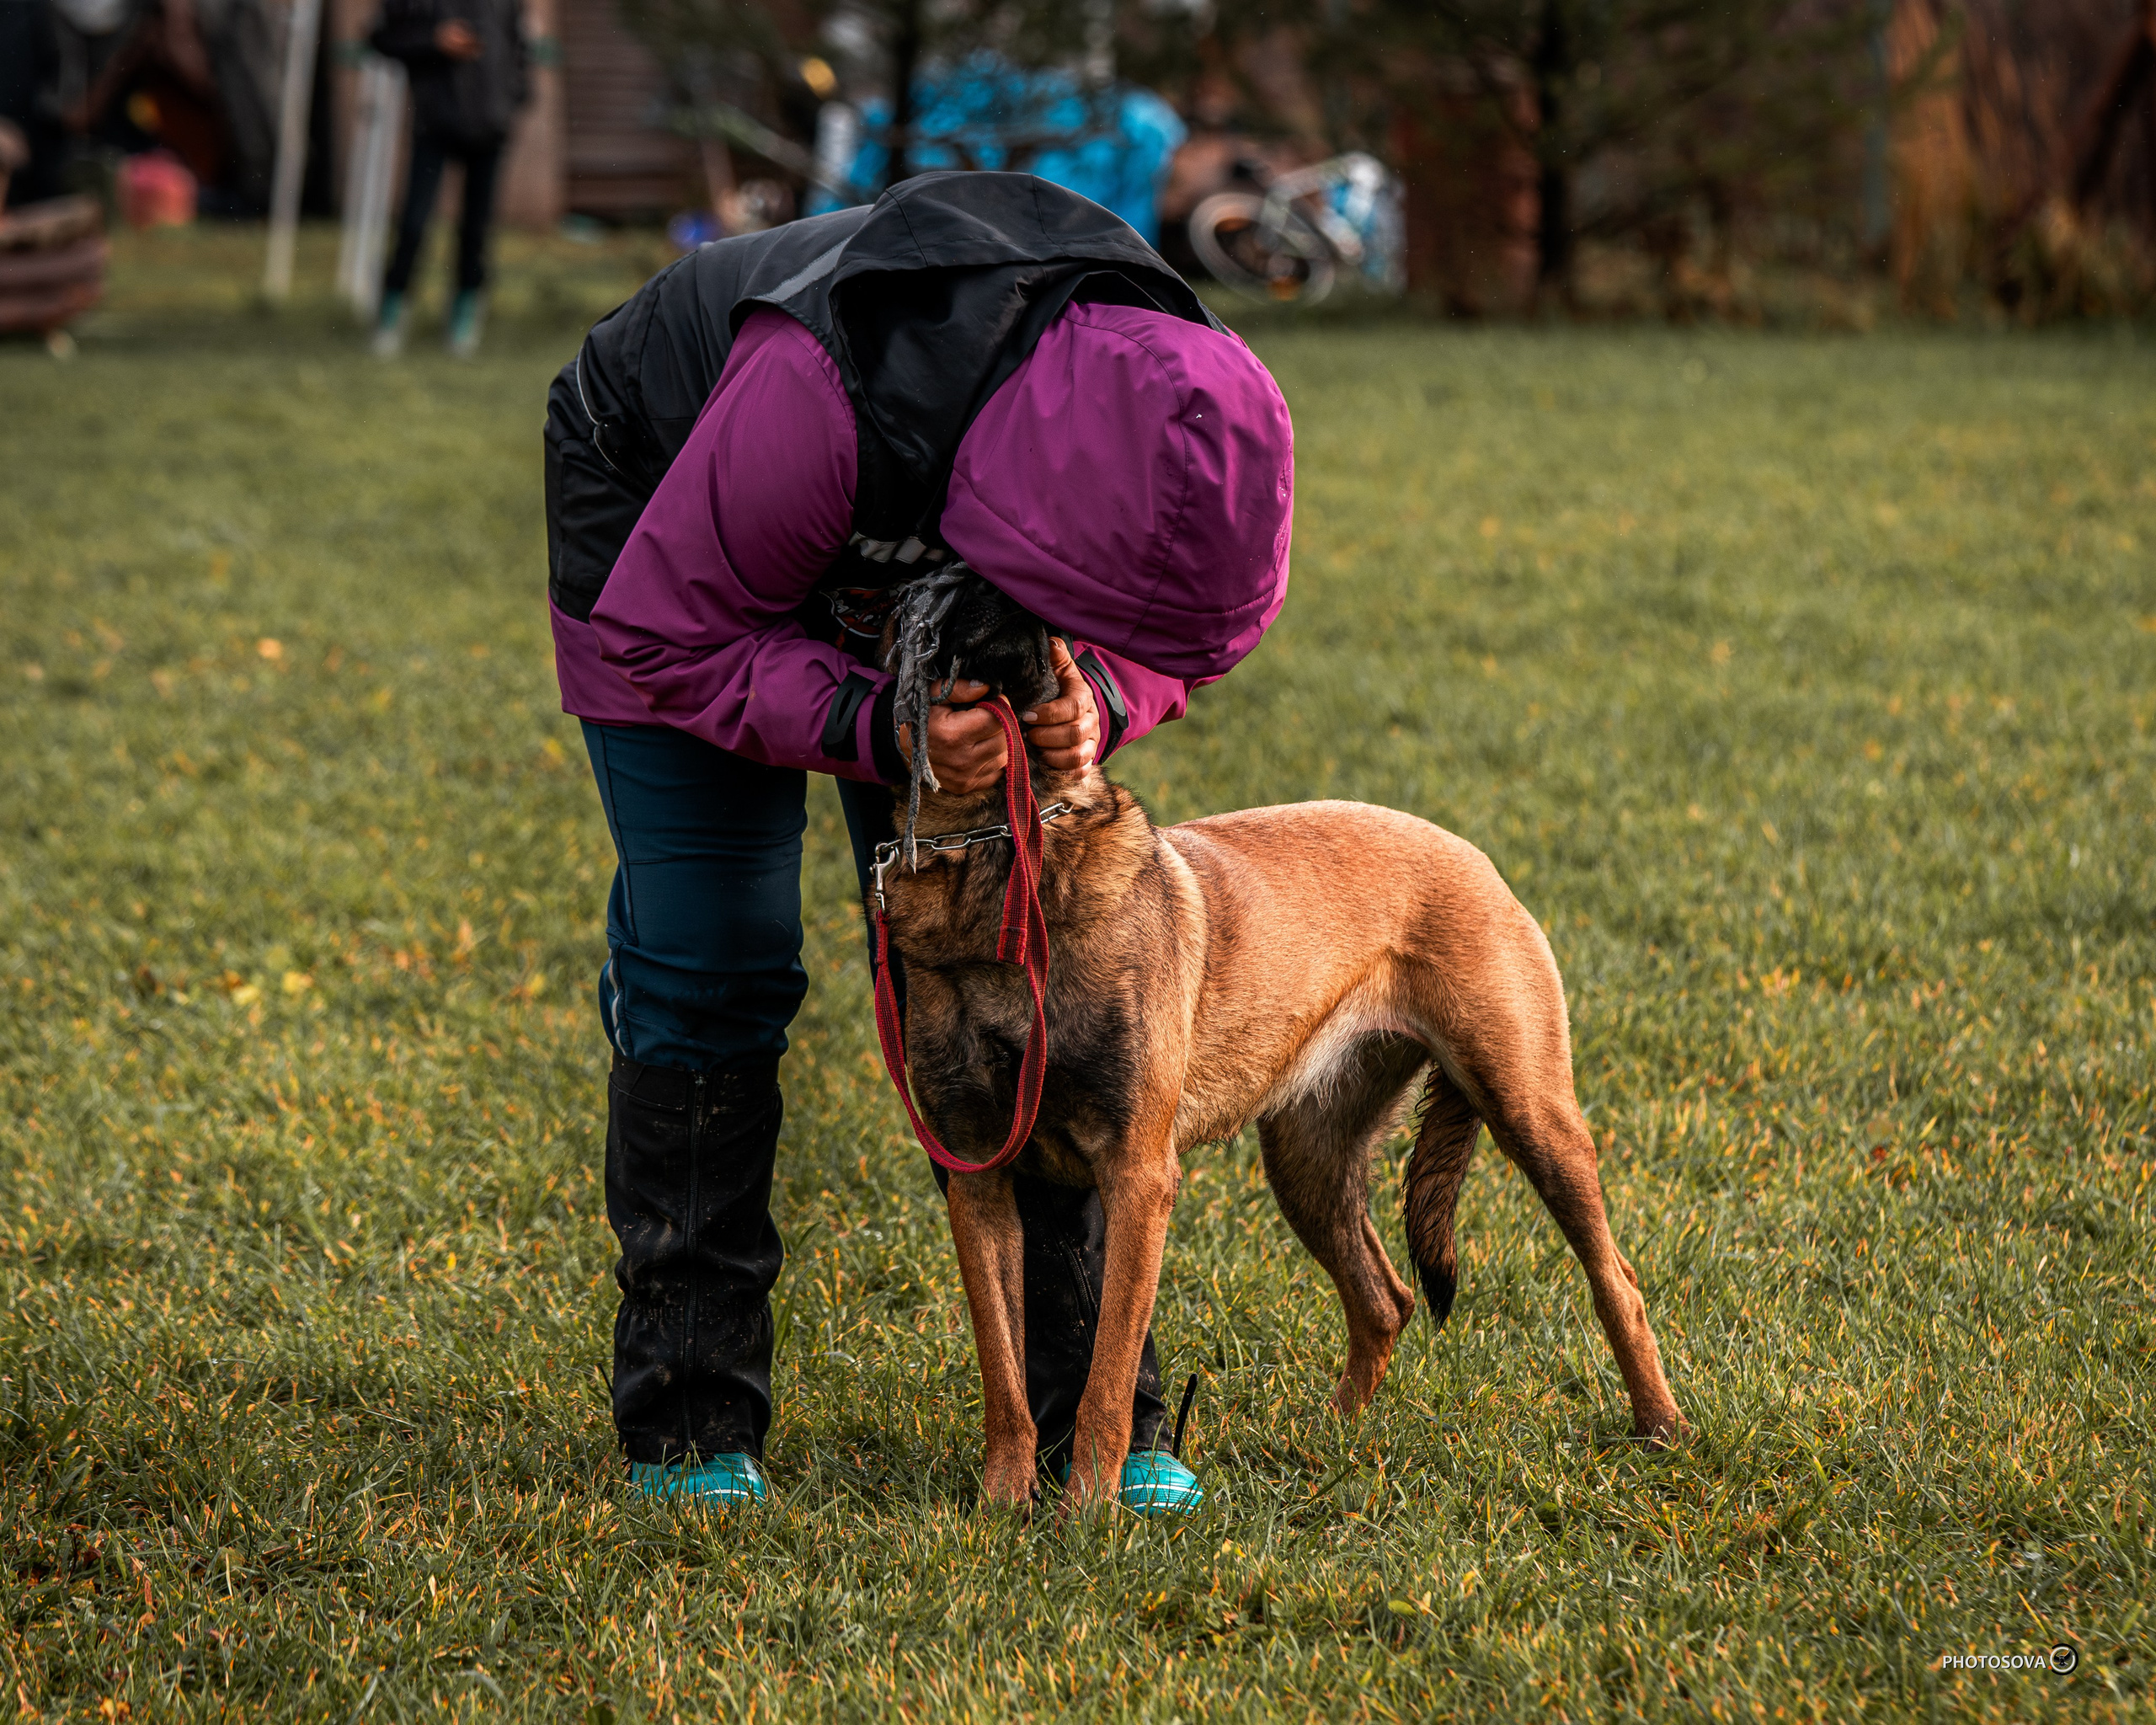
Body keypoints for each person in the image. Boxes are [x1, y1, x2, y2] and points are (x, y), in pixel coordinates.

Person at [544, 171, 1294, 1514]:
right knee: (715, 953)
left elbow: (1169, 634)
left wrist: (1102, 696)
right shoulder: (818, 397)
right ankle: (691, 1417)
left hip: (921, 517)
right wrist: (881, 728)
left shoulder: (1171, 394)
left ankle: (1090, 1422)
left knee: (1036, 939)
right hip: (675, 529)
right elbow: (671, 633)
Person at [367, 0, 526, 357]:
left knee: (476, 230)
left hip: (490, 123)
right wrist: (433, 40)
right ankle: (392, 314)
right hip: (434, 124)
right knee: (413, 225)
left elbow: (518, 44)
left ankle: (465, 318)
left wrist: (513, 99)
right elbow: (382, 38)